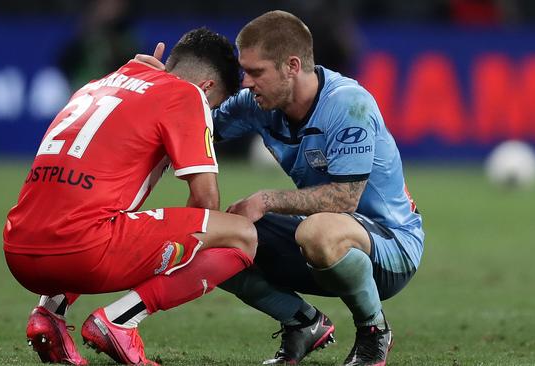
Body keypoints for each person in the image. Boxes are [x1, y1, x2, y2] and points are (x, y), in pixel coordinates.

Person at [137, 10, 424, 366]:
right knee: (215, 239)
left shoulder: (348, 104)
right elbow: (186, 129)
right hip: (316, 241)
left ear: (291, 66)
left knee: (318, 231)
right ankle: (302, 323)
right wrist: (157, 90)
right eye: (245, 71)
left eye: (257, 72)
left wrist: (267, 200)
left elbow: (345, 199)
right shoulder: (256, 105)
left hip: (390, 247)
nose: (245, 83)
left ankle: (373, 333)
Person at [3, 28, 257, 366]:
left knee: (95, 210)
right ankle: (121, 321)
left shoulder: (99, 82)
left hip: (17, 249)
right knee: (241, 235)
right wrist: (179, 251)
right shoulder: (188, 94)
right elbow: (206, 200)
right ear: (208, 87)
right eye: (213, 107)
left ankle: (48, 313)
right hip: (80, 253)